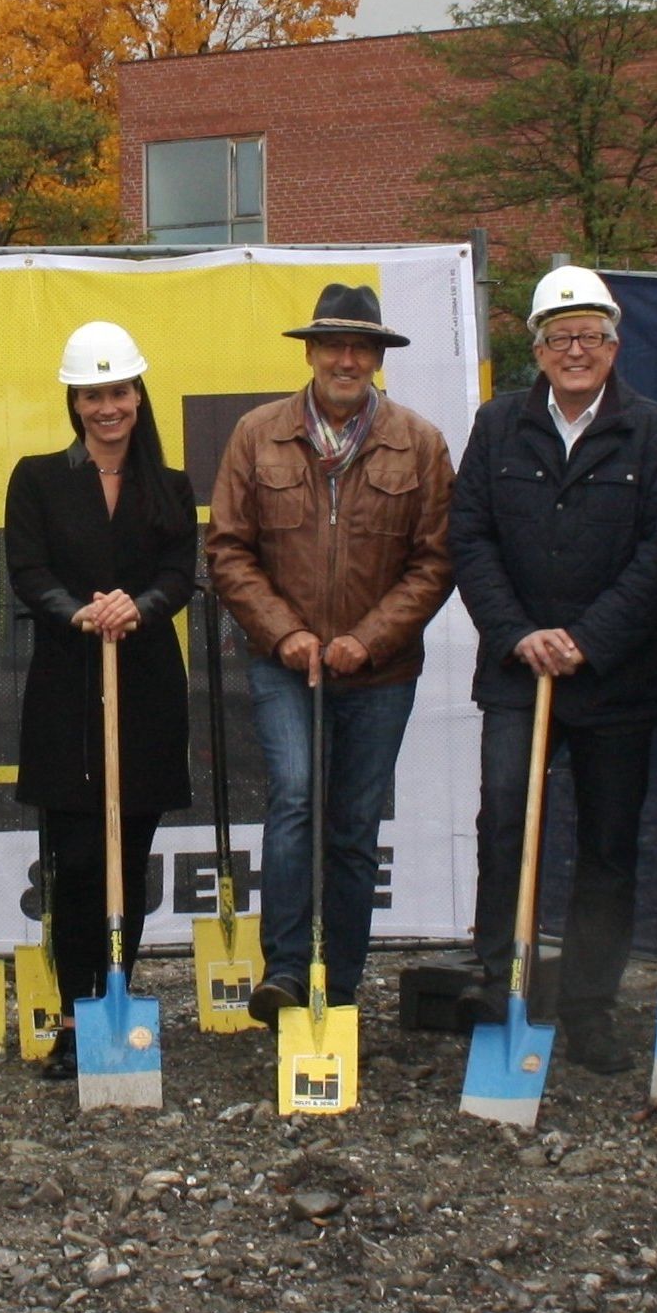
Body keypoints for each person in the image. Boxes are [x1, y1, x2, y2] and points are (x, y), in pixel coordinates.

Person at [449, 265, 657, 1073]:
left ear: (614, 344)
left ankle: (589, 1007)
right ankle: (499, 981)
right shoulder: (496, 427)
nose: (576, 350)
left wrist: (587, 639)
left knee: (607, 847)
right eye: (561, 336)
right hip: (519, 674)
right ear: (539, 348)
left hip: (615, 680)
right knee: (506, 827)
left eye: (591, 335)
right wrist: (520, 635)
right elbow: (471, 538)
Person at [206, 282, 454, 1026]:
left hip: (382, 671)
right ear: (310, 352)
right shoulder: (256, 434)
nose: (347, 359)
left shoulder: (421, 441)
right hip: (284, 663)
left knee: (351, 828)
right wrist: (288, 634)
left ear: (377, 357)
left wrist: (365, 639)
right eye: (334, 345)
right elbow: (228, 549)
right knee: (294, 799)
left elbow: (436, 562)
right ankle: (284, 968)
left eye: (362, 347)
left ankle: (337, 984)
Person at [4, 321, 198, 1080]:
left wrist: (139, 606)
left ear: (139, 397)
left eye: (118, 391)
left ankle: (119, 999)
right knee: (74, 863)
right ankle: (77, 1014)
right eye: (92, 394)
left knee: (128, 859)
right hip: (67, 693)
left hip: (145, 689)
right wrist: (77, 610)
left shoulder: (170, 485)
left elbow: (182, 572)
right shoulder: (39, 477)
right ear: (74, 401)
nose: (106, 407)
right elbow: (25, 569)